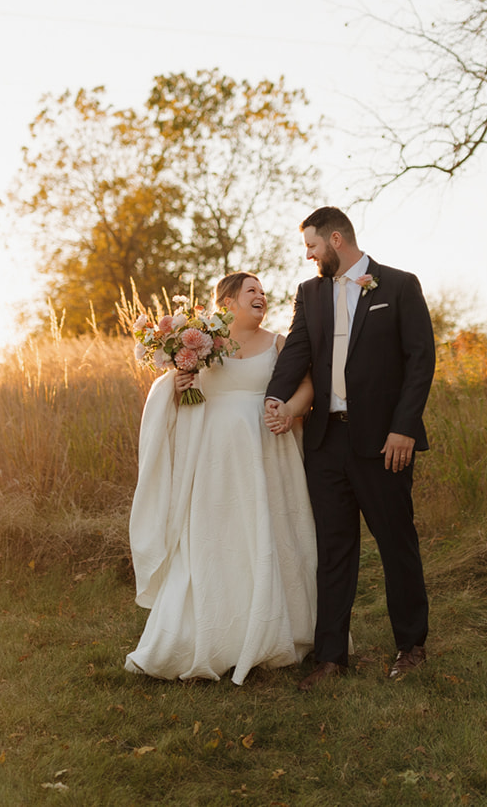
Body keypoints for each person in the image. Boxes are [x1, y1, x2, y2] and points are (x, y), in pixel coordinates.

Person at [265, 206, 436, 692]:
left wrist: (404, 428)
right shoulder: (310, 293)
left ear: (336, 239)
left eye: (311, 247)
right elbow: (297, 350)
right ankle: (330, 656)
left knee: (395, 543)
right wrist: (274, 400)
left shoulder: (399, 286)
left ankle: (411, 645)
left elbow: (420, 361)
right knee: (333, 550)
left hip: (384, 442)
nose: (309, 256)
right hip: (325, 442)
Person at [125, 272, 318, 684]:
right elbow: (180, 393)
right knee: (217, 539)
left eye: (263, 293)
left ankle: (276, 630)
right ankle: (213, 636)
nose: (261, 297)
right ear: (227, 302)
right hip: (215, 459)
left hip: (267, 452)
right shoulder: (204, 344)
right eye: (252, 291)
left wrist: (289, 411)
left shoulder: (279, 342)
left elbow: (306, 388)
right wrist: (176, 386)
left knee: (270, 532)